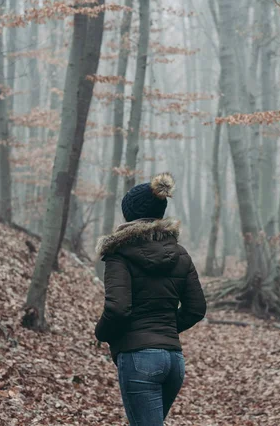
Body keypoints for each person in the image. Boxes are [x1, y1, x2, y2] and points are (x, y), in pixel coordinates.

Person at [95, 172, 207, 426]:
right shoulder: (180, 254)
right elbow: (197, 308)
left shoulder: (119, 254)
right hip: (174, 362)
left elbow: (118, 309)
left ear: (128, 214)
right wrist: (163, 331)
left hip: (139, 360)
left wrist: (101, 333)